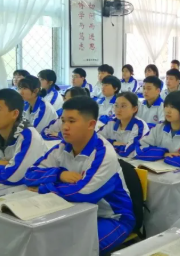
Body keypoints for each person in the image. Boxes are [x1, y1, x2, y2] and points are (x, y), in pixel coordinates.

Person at [23, 97, 135, 254]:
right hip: (73, 212)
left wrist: (44, 188)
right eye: (63, 121)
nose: (64, 127)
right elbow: (30, 175)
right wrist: (59, 174)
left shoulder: (103, 153)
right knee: (42, 240)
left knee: (72, 250)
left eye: (72, 121)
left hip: (111, 218)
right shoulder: (63, 147)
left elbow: (83, 193)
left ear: (91, 124)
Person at [132, 91, 180, 170]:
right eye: (166, 106)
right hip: (163, 173)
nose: (168, 111)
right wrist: (163, 154)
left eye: (172, 107)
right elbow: (138, 149)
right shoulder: (159, 128)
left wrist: (167, 158)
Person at [99, 92, 149, 158]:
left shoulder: (139, 126)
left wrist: (107, 145)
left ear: (134, 109)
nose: (118, 110)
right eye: (116, 105)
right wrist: (113, 142)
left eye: (123, 106)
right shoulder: (112, 122)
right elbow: (96, 139)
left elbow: (129, 152)